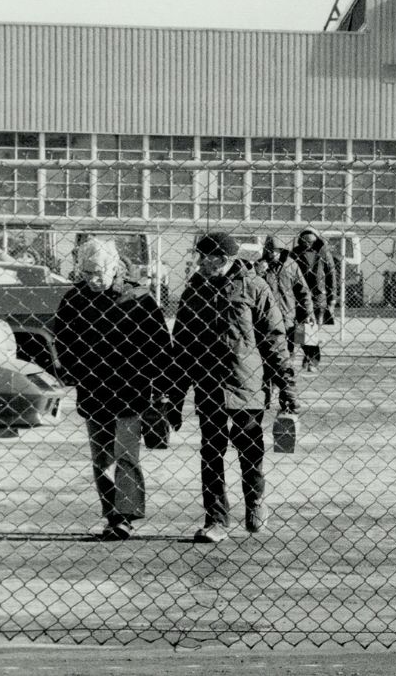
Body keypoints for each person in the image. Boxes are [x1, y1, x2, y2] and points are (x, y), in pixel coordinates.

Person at [175, 232, 296, 543]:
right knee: (211, 451)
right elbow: (181, 347)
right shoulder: (194, 291)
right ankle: (216, 519)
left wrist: (287, 387)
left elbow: (274, 339)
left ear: (225, 259)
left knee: (249, 448)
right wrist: (173, 395)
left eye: (206, 257)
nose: (200, 262)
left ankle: (255, 500)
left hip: (247, 384)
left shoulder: (254, 286)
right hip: (208, 384)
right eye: (198, 256)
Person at [52, 239, 173, 541]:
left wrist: (160, 389)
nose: (92, 279)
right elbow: (62, 343)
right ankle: (111, 514)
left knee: (126, 455)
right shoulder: (74, 300)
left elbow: (160, 348)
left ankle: (125, 517)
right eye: (86, 271)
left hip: (131, 390)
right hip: (93, 389)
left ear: (114, 266)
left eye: (98, 272)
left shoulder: (140, 299)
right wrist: (73, 371)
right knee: (101, 459)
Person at [255, 235, 312, 406]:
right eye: (270, 250)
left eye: (276, 250)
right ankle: (264, 397)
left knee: (286, 362)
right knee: (263, 362)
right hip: (264, 324)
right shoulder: (259, 267)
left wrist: (307, 313)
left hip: (287, 322)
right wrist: (258, 272)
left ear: (282, 251)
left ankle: (285, 398)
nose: (273, 254)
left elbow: (303, 292)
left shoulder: (291, 266)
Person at [290, 226, 337, 373]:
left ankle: (312, 360)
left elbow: (331, 274)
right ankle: (309, 357)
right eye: (305, 240)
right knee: (301, 329)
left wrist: (332, 297)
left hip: (318, 295)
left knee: (312, 328)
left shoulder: (323, 252)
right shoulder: (295, 253)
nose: (308, 243)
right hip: (299, 294)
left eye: (311, 240)